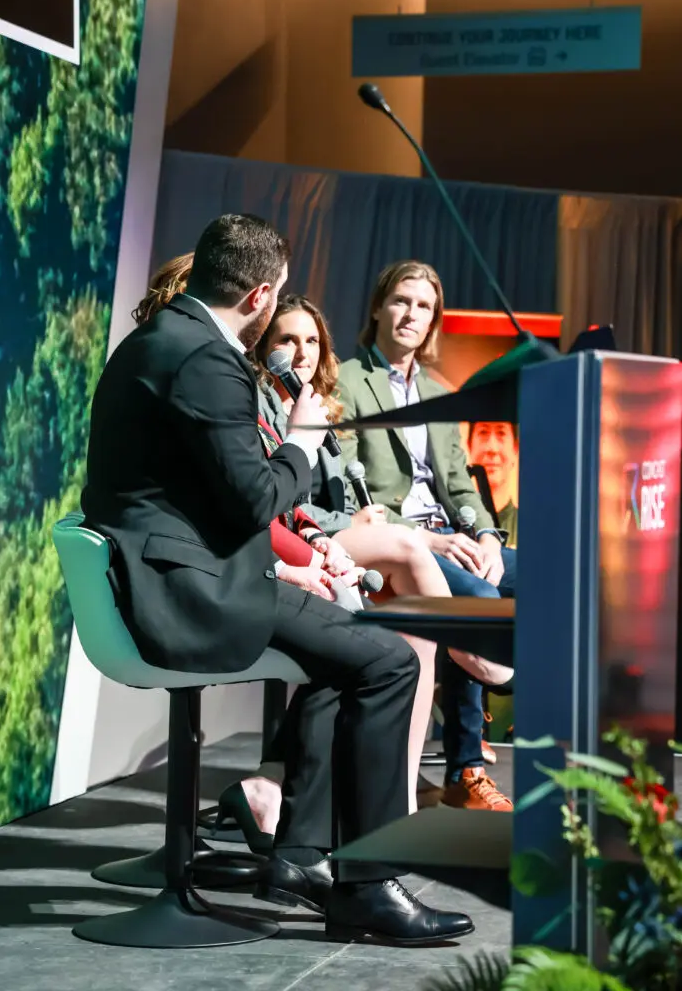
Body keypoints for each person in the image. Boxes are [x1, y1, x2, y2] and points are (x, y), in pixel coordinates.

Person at [82, 216, 474, 945]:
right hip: (187, 595)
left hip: (182, 576)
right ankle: (368, 881)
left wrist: (303, 561)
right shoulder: (204, 358)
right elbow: (258, 498)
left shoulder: (160, 340)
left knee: (345, 659)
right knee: (387, 660)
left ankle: (300, 856)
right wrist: (300, 434)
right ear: (262, 295)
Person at [337, 260, 517, 812]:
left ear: (434, 319)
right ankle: (464, 769)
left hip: (454, 534)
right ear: (378, 307)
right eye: (401, 300)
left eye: (423, 306)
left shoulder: (440, 390)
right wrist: (432, 541)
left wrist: (486, 534)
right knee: (479, 604)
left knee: (547, 580)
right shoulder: (345, 379)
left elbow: (462, 486)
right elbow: (347, 494)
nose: (410, 314)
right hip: (399, 543)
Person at [468, 421, 519, 549]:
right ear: (469, 445)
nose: (492, 449)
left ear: (515, 448)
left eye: (501, 433)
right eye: (483, 432)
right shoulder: (457, 523)